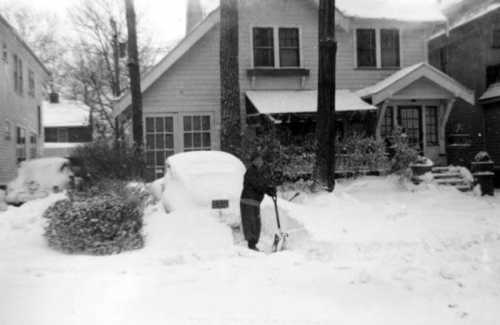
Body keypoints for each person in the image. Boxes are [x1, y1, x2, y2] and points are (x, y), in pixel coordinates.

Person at [240, 153, 277, 251]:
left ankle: (253, 242)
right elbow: (258, 184)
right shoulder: (250, 172)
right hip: (247, 200)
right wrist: (268, 190)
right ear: (253, 162)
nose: (258, 161)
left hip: (256, 201)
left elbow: (267, 182)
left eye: (259, 159)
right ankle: (251, 244)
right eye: (255, 160)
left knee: (256, 222)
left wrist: (272, 188)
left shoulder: (264, 170)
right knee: (250, 222)